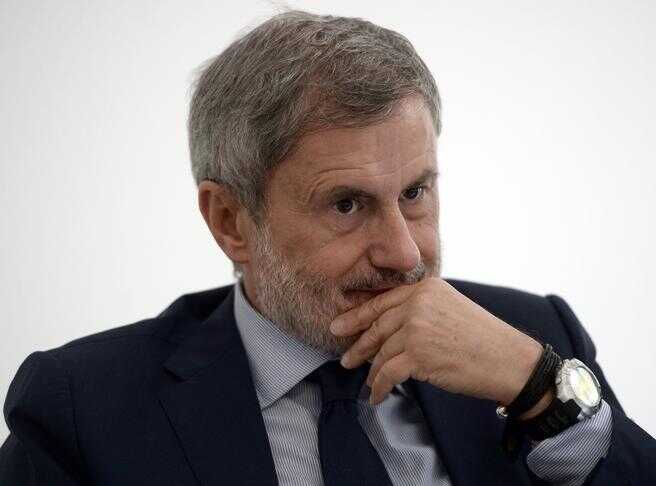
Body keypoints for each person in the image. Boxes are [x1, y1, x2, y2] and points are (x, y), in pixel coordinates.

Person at [1, 9, 654, 486]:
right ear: (230, 220)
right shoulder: (84, 407)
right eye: (347, 204)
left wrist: (540, 387)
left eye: (415, 192)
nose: (404, 254)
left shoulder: (533, 339)